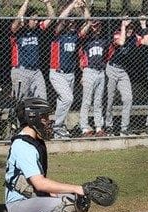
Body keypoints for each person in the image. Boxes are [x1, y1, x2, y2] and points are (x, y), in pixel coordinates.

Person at [4, 97, 90, 212]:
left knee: (77, 200)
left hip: (30, 199)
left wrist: (75, 194)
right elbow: (40, 184)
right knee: (68, 205)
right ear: (32, 118)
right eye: (44, 117)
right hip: (19, 205)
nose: (48, 121)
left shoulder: (33, 141)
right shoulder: (24, 146)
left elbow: (37, 187)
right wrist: (79, 188)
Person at [49, 0, 91, 139]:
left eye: (74, 22)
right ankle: (57, 126)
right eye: (70, 22)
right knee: (68, 99)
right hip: (57, 73)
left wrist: (84, 7)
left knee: (62, 101)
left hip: (70, 75)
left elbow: (88, 23)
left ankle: (58, 130)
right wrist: (73, 4)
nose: (72, 24)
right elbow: (61, 19)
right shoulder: (58, 34)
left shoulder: (76, 36)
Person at [105, 17, 148, 136]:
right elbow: (121, 42)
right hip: (112, 68)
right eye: (128, 27)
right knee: (109, 99)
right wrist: (123, 26)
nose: (130, 30)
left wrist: (143, 25)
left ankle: (124, 127)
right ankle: (108, 125)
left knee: (128, 98)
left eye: (131, 27)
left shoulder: (135, 38)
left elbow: (147, 41)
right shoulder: (117, 34)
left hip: (123, 71)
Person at [10, 0, 55, 100]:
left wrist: (47, 3)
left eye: (37, 19)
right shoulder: (17, 30)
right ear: (27, 20)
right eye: (33, 19)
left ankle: (39, 115)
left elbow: (51, 17)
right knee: (21, 103)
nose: (36, 21)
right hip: (20, 70)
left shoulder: (38, 29)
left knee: (42, 100)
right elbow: (18, 18)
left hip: (36, 71)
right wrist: (26, 1)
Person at [79, 19, 108, 137]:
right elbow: (80, 57)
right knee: (86, 101)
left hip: (100, 72)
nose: (96, 28)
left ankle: (98, 127)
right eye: (94, 26)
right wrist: (82, 72)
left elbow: (106, 56)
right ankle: (84, 127)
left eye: (98, 26)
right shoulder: (85, 40)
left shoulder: (103, 41)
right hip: (89, 71)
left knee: (98, 101)